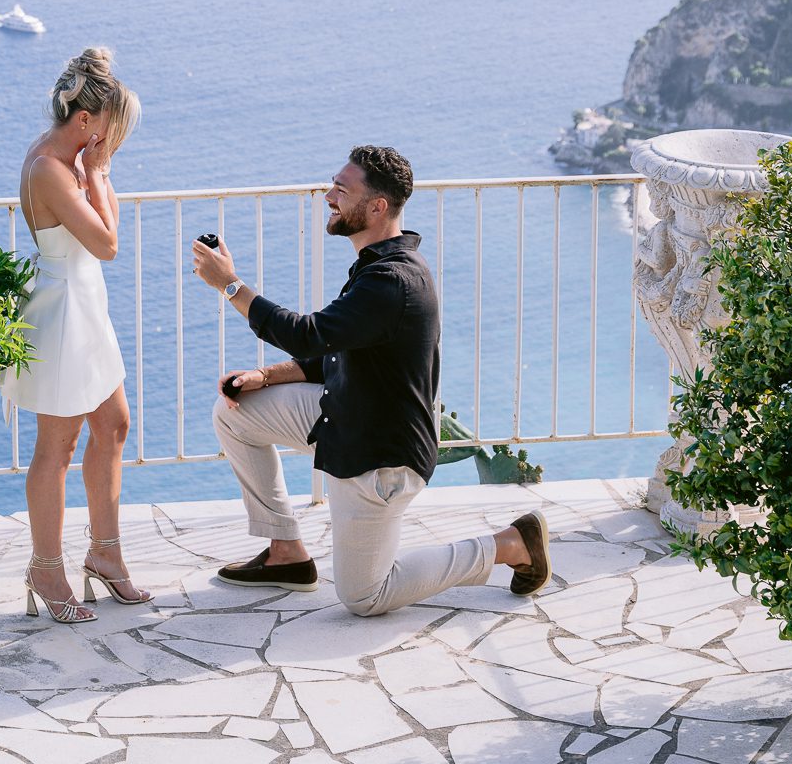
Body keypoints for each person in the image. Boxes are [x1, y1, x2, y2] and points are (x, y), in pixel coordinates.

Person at [191, 144, 552, 614]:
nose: (328, 196)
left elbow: (308, 334)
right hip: (344, 417)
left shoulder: (392, 283)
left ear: (377, 206)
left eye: (341, 189)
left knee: (363, 597)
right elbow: (335, 351)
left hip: (380, 456)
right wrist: (265, 376)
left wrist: (230, 284)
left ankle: (509, 544)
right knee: (235, 413)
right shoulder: (377, 267)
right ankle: (285, 553)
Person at [7, 47, 150, 624]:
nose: (117, 137)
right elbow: (108, 244)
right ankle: (45, 565)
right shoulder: (48, 167)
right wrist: (95, 174)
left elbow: (106, 231)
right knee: (57, 445)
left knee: (113, 425)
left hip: (86, 306)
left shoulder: (75, 164)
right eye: (113, 126)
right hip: (62, 312)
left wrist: (99, 173)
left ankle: (104, 554)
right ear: (86, 120)